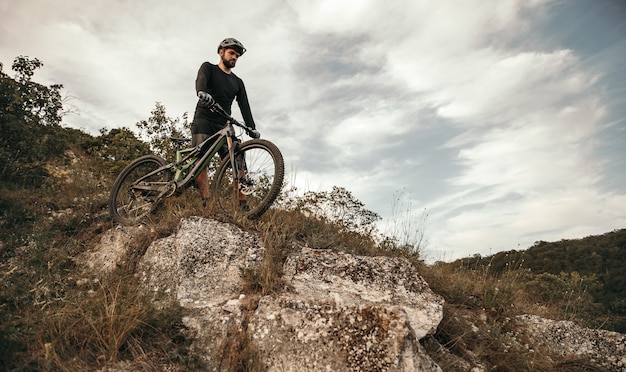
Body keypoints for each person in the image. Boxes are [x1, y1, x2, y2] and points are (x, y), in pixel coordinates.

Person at [191, 37, 257, 206]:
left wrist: (251, 128)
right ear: (221, 52)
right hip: (204, 118)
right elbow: (201, 81)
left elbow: (244, 105)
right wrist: (201, 92)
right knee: (201, 160)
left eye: (237, 55)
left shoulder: (237, 82)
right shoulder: (209, 68)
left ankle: (243, 204)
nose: (234, 57)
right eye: (231, 53)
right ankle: (205, 201)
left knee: (238, 159)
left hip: (223, 124)